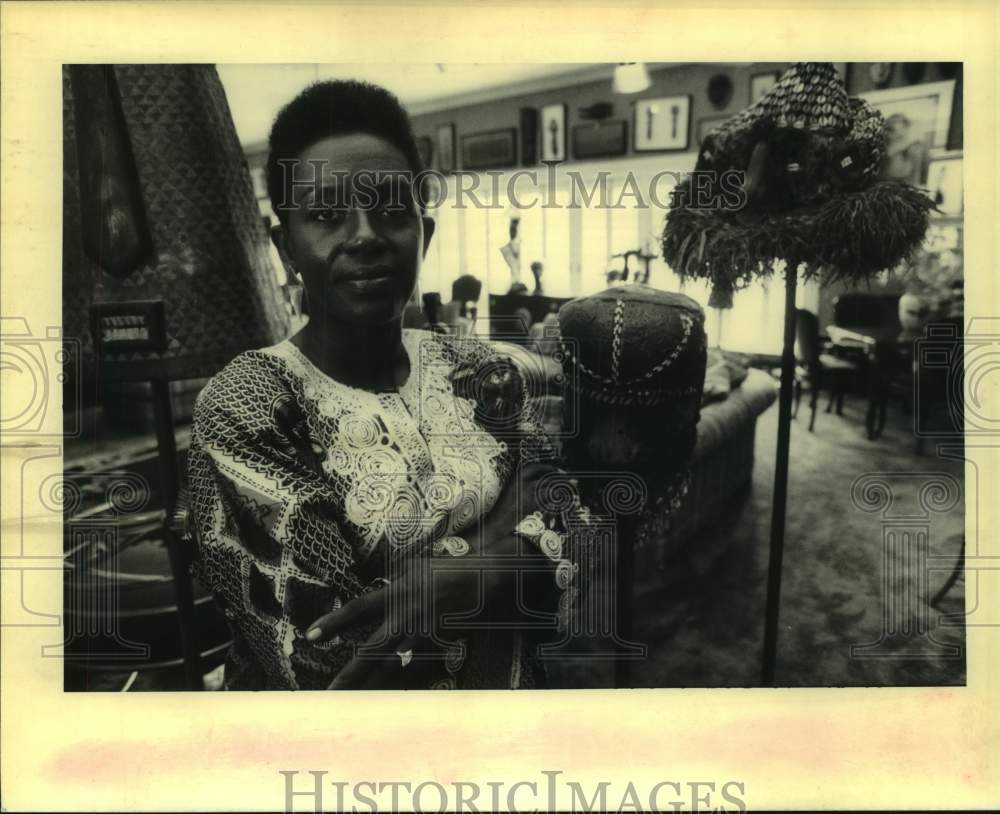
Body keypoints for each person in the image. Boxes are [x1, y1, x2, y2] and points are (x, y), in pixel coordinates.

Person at [186, 80, 590, 690]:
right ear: (285, 247)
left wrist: (455, 574)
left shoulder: (473, 366)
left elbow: (569, 512)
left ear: (423, 234)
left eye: (392, 210)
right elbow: (332, 659)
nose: (367, 235)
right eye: (325, 215)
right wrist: (504, 551)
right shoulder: (248, 405)